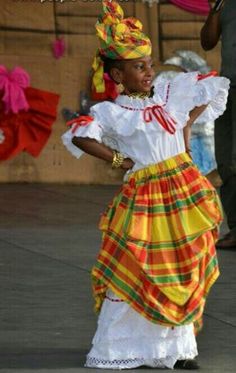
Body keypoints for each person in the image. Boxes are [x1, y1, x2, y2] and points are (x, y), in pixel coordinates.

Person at [62, 0, 229, 369]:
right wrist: (119, 160)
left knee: (181, 266)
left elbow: (208, 91)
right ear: (118, 76)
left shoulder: (170, 98)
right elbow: (80, 136)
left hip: (183, 191)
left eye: (150, 65)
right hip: (147, 197)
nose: (149, 72)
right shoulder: (114, 112)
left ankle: (178, 351)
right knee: (141, 266)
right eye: (139, 67)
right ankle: (121, 349)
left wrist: (184, 130)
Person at [201, 0, 236, 248]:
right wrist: (215, 9)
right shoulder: (225, 4)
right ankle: (235, 228)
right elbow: (207, 42)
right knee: (225, 160)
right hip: (228, 89)